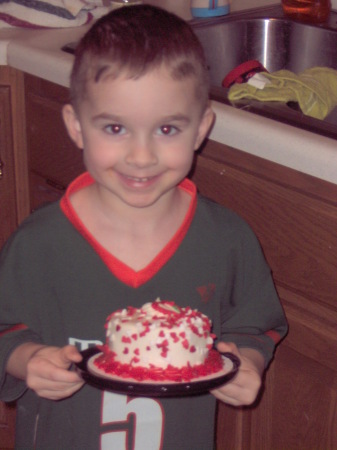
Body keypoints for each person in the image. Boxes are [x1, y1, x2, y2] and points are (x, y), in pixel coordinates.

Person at [0, 5, 288, 449]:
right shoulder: (38, 244)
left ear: (201, 130)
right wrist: (27, 359)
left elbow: (255, 325)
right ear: (76, 127)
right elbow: (6, 331)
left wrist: (245, 360)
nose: (141, 156)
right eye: (115, 127)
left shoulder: (226, 239)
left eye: (167, 129)